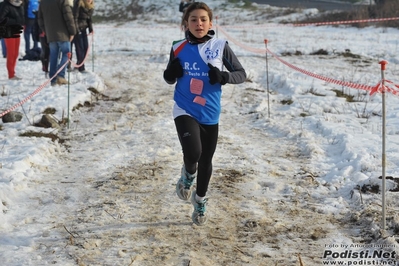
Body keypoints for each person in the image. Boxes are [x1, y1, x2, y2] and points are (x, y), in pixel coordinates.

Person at [163, 2, 246, 226]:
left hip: (209, 112)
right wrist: (170, 72)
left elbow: (241, 74)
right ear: (186, 23)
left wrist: (224, 77)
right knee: (193, 152)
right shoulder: (178, 47)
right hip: (184, 108)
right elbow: (170, 78)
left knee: (206, 160)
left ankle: (199, 200)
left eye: (202, 19)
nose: (198, 23)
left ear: (210, 23)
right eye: (193, 20)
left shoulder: (220, 46)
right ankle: (187, 174)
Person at [37, 0, 76, 86]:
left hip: (51, 34)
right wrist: (72, 32)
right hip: (63, 34)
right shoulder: (62, 1)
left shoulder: (43, 2)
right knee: (67, 54)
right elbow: (69, 17)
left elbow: (40, 19)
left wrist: (46, 30)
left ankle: (53, 79)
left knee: (54, 56)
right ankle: (60, 75)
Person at [0, 0, 24, 80]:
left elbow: (21, 16)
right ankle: (11, 74)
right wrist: (16, 22)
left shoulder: (20, 4)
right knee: (11, 53)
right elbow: (2, 18)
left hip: (17, 30)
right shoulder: (6, 5)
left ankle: (13, 71)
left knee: (16, 53)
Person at [72, 0, 93, 73]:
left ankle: (79, 63)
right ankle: (81, 67)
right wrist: (77, 30)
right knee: (80, 49)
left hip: (84, 29)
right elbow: (75, 17)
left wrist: (91, 29)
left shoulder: (90, 6)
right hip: (78, 29)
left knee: (86, 48)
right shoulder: (79, 4)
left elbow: (89, 19)